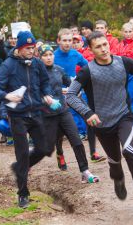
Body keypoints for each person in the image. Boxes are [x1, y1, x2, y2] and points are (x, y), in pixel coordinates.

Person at [66, 32, 133, 206]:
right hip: (102, 124)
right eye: (98, 47)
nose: (103, 49)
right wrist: (87, 113)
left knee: (129, 150)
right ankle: (118, 179)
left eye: (105, 44)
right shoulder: (88, 71)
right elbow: (71, 95)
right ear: (91, 50)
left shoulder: (124, 63)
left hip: (124, 116)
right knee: (115, 159)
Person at [0, 31, 57, 208]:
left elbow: (45, 83)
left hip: (35, 112)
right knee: (22, 153)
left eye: (33, 47)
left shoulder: (37, 63)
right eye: (28, 48)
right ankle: (23, 193)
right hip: (17, 115)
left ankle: (19, 167)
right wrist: (7, 96)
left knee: (45, 148)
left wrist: (47, 95)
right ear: (19, 48)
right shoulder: (9, 65)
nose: (31, 51)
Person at [38, 44, 99, 183]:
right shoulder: (37, 73)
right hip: (47, 114)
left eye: (50, 55)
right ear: (40, 58)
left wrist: (72, 90)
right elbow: (33, 92)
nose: (48, 58)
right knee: (52, 141)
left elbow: (71, 83)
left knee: (76, 140)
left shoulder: (58, 70)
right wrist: (45, 99)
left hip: (63, 110)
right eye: (45, 55)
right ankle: (59, 153)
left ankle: (85, 171)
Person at [54, 28, 105, 162]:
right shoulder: (52, 56)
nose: (67, 43)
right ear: (58, 41)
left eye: (70, 40)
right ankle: (59, 152)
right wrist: (59, 90)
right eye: (64, 40)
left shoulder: (75, 54)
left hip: (74, 93)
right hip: (58, 96)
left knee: (91, 119)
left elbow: (89, 68)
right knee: (60, 128)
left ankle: (93, 153)